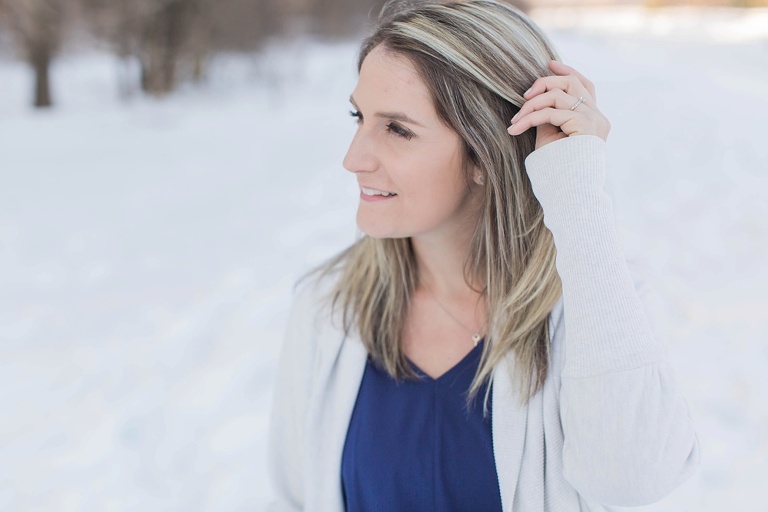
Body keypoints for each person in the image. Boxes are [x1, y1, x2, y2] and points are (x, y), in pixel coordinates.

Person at [268, 0, 700, 510]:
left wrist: (578, 195)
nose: (352, 158)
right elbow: (294, 497)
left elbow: (632, 481)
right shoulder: (329, 310)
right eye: (358, 117)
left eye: (398, 129)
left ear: (486, 153)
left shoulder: (591, 310)